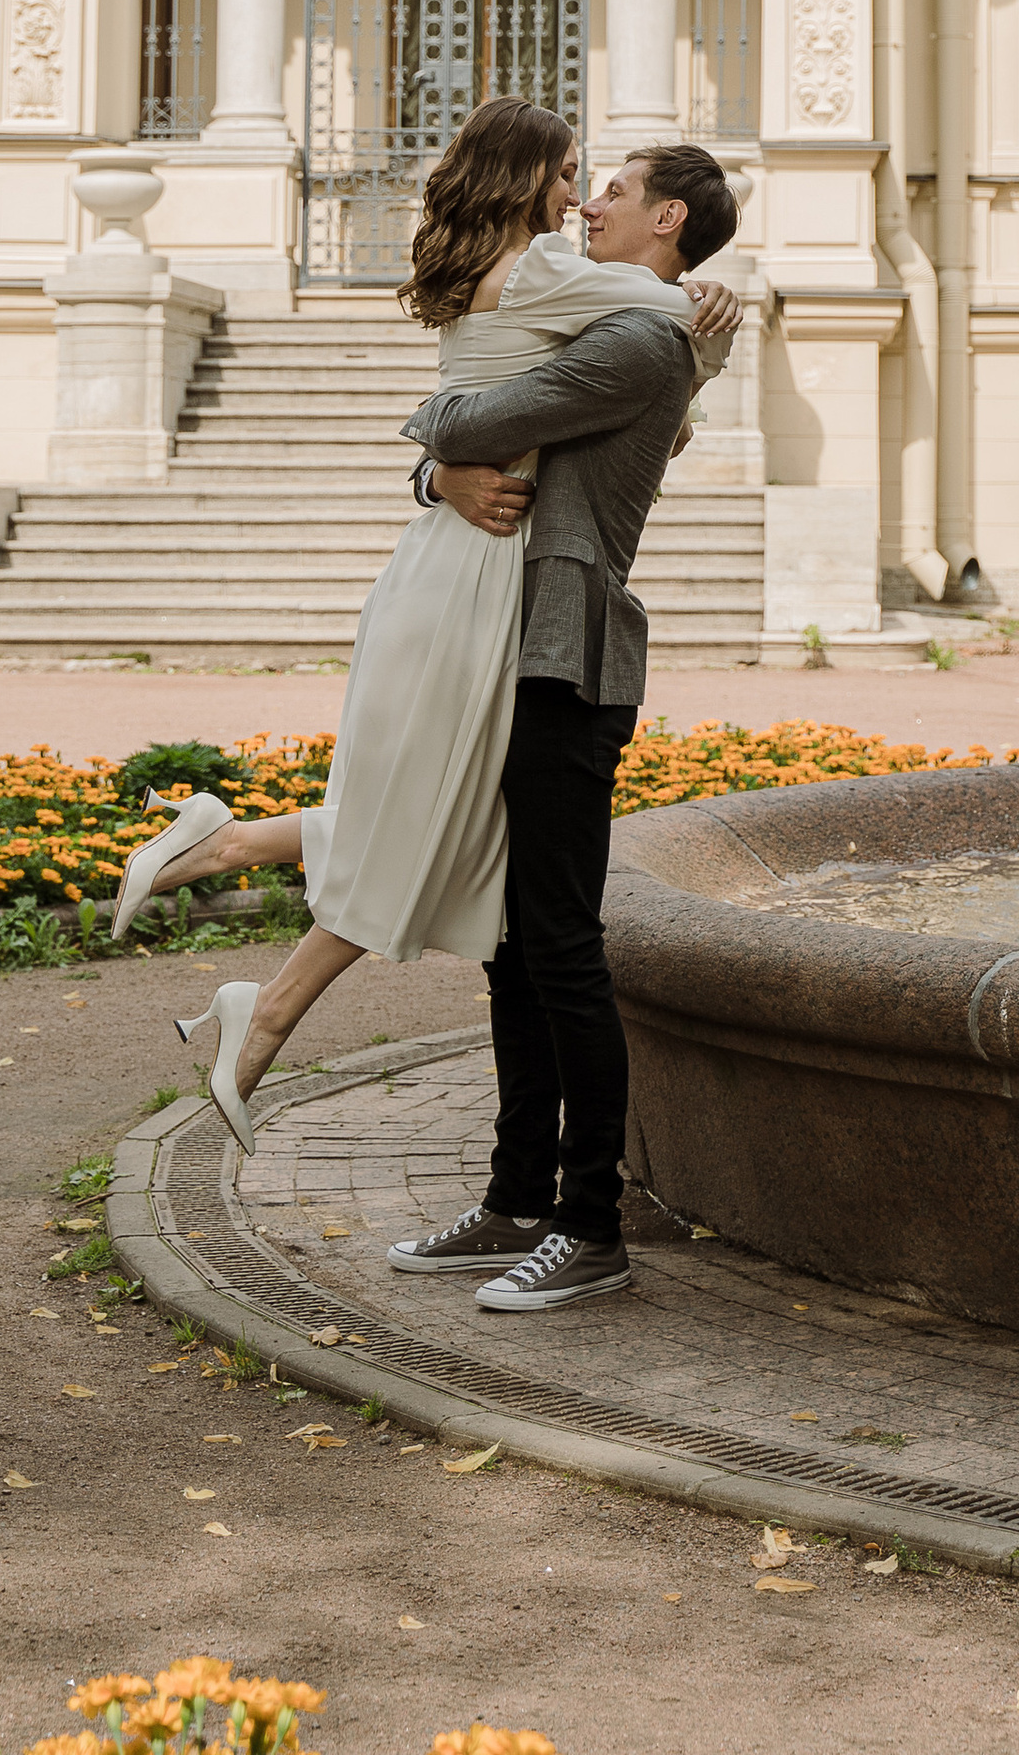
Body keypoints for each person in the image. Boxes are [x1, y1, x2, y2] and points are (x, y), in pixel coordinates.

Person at [109, 105, 737, 1151]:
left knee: (439, 808)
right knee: (434, 808)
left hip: (461, 568)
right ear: (527, 180)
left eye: (604, 185)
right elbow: (511, 396)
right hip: (478, 576)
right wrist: (709, 315)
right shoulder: (554, 277)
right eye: (573, 177)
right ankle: (258, 994)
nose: (584, 200)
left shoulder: (515, 278)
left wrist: (444, 468)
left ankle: (235, 878)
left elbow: (592, 409)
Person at [388, 136, 741, 1315]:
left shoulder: (637, 341)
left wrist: (432, 437)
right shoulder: (622, 328)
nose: (589, 205)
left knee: (561, 947)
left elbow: (471, 419)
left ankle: (589, 1226)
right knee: (513, 945)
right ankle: (513, 1200)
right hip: (523, 644)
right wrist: (440, 473)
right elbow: (479, 449)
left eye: (617, 192)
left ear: (669, 221)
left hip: (568, 658)